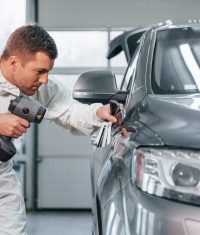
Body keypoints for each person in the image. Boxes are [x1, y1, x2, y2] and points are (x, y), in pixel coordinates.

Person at [0, 24, 117, 235]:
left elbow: (70, 112)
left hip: (2, 181)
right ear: (14, 63)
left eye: (48, 72)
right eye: (39, 72)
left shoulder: (42, 89)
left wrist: (98, 113)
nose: (44, 80)